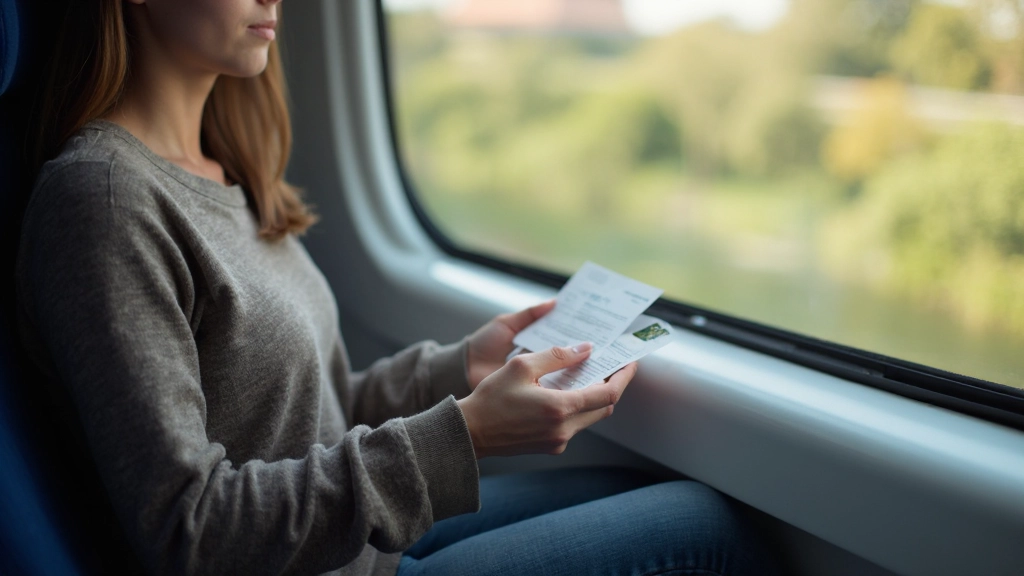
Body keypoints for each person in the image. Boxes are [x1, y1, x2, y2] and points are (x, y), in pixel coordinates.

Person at [15, 0, 776, 574]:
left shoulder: (224, 170)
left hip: (349, 552)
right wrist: (466, 433)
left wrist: (459, 371)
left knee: (623, 484)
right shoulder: (105, 201)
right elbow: (189, 529)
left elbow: (304, 418)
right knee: (706, 527)